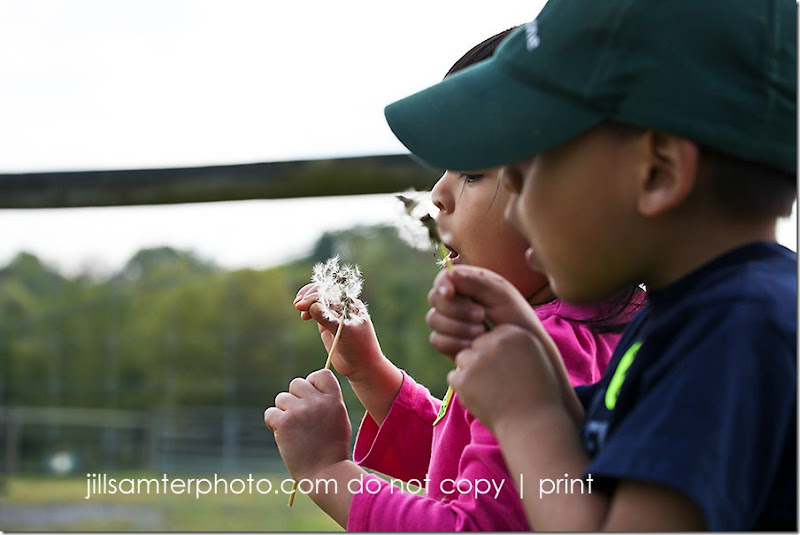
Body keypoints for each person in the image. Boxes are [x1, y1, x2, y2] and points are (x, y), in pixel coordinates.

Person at [383, 0, 797, 530]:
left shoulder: (732, 331)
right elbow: (592, 458)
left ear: (657, 172)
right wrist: (534, 355)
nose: (514, 200)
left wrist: (525, 415)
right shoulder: (696, 316)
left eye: (531, 168)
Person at [264, 27, 643, 531]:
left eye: (471, 173)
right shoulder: (617, 330)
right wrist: (371, 373)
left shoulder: (544, 349)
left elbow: (476, 524)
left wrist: (326, 471)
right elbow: (475, 474)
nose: (438, 195)